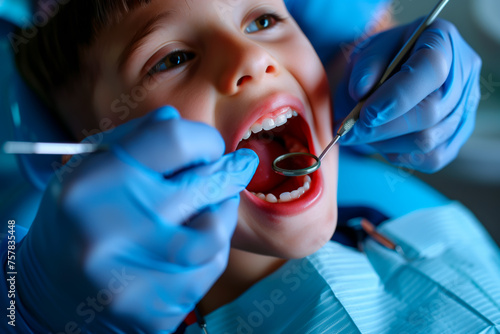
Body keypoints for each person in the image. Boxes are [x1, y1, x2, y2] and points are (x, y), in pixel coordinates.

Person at [1, 0, 497, 333]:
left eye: (262, 21)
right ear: (81, 160)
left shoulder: (400, 211)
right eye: (172, 59)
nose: (252, 58)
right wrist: (28, 314)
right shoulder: (48, 292)